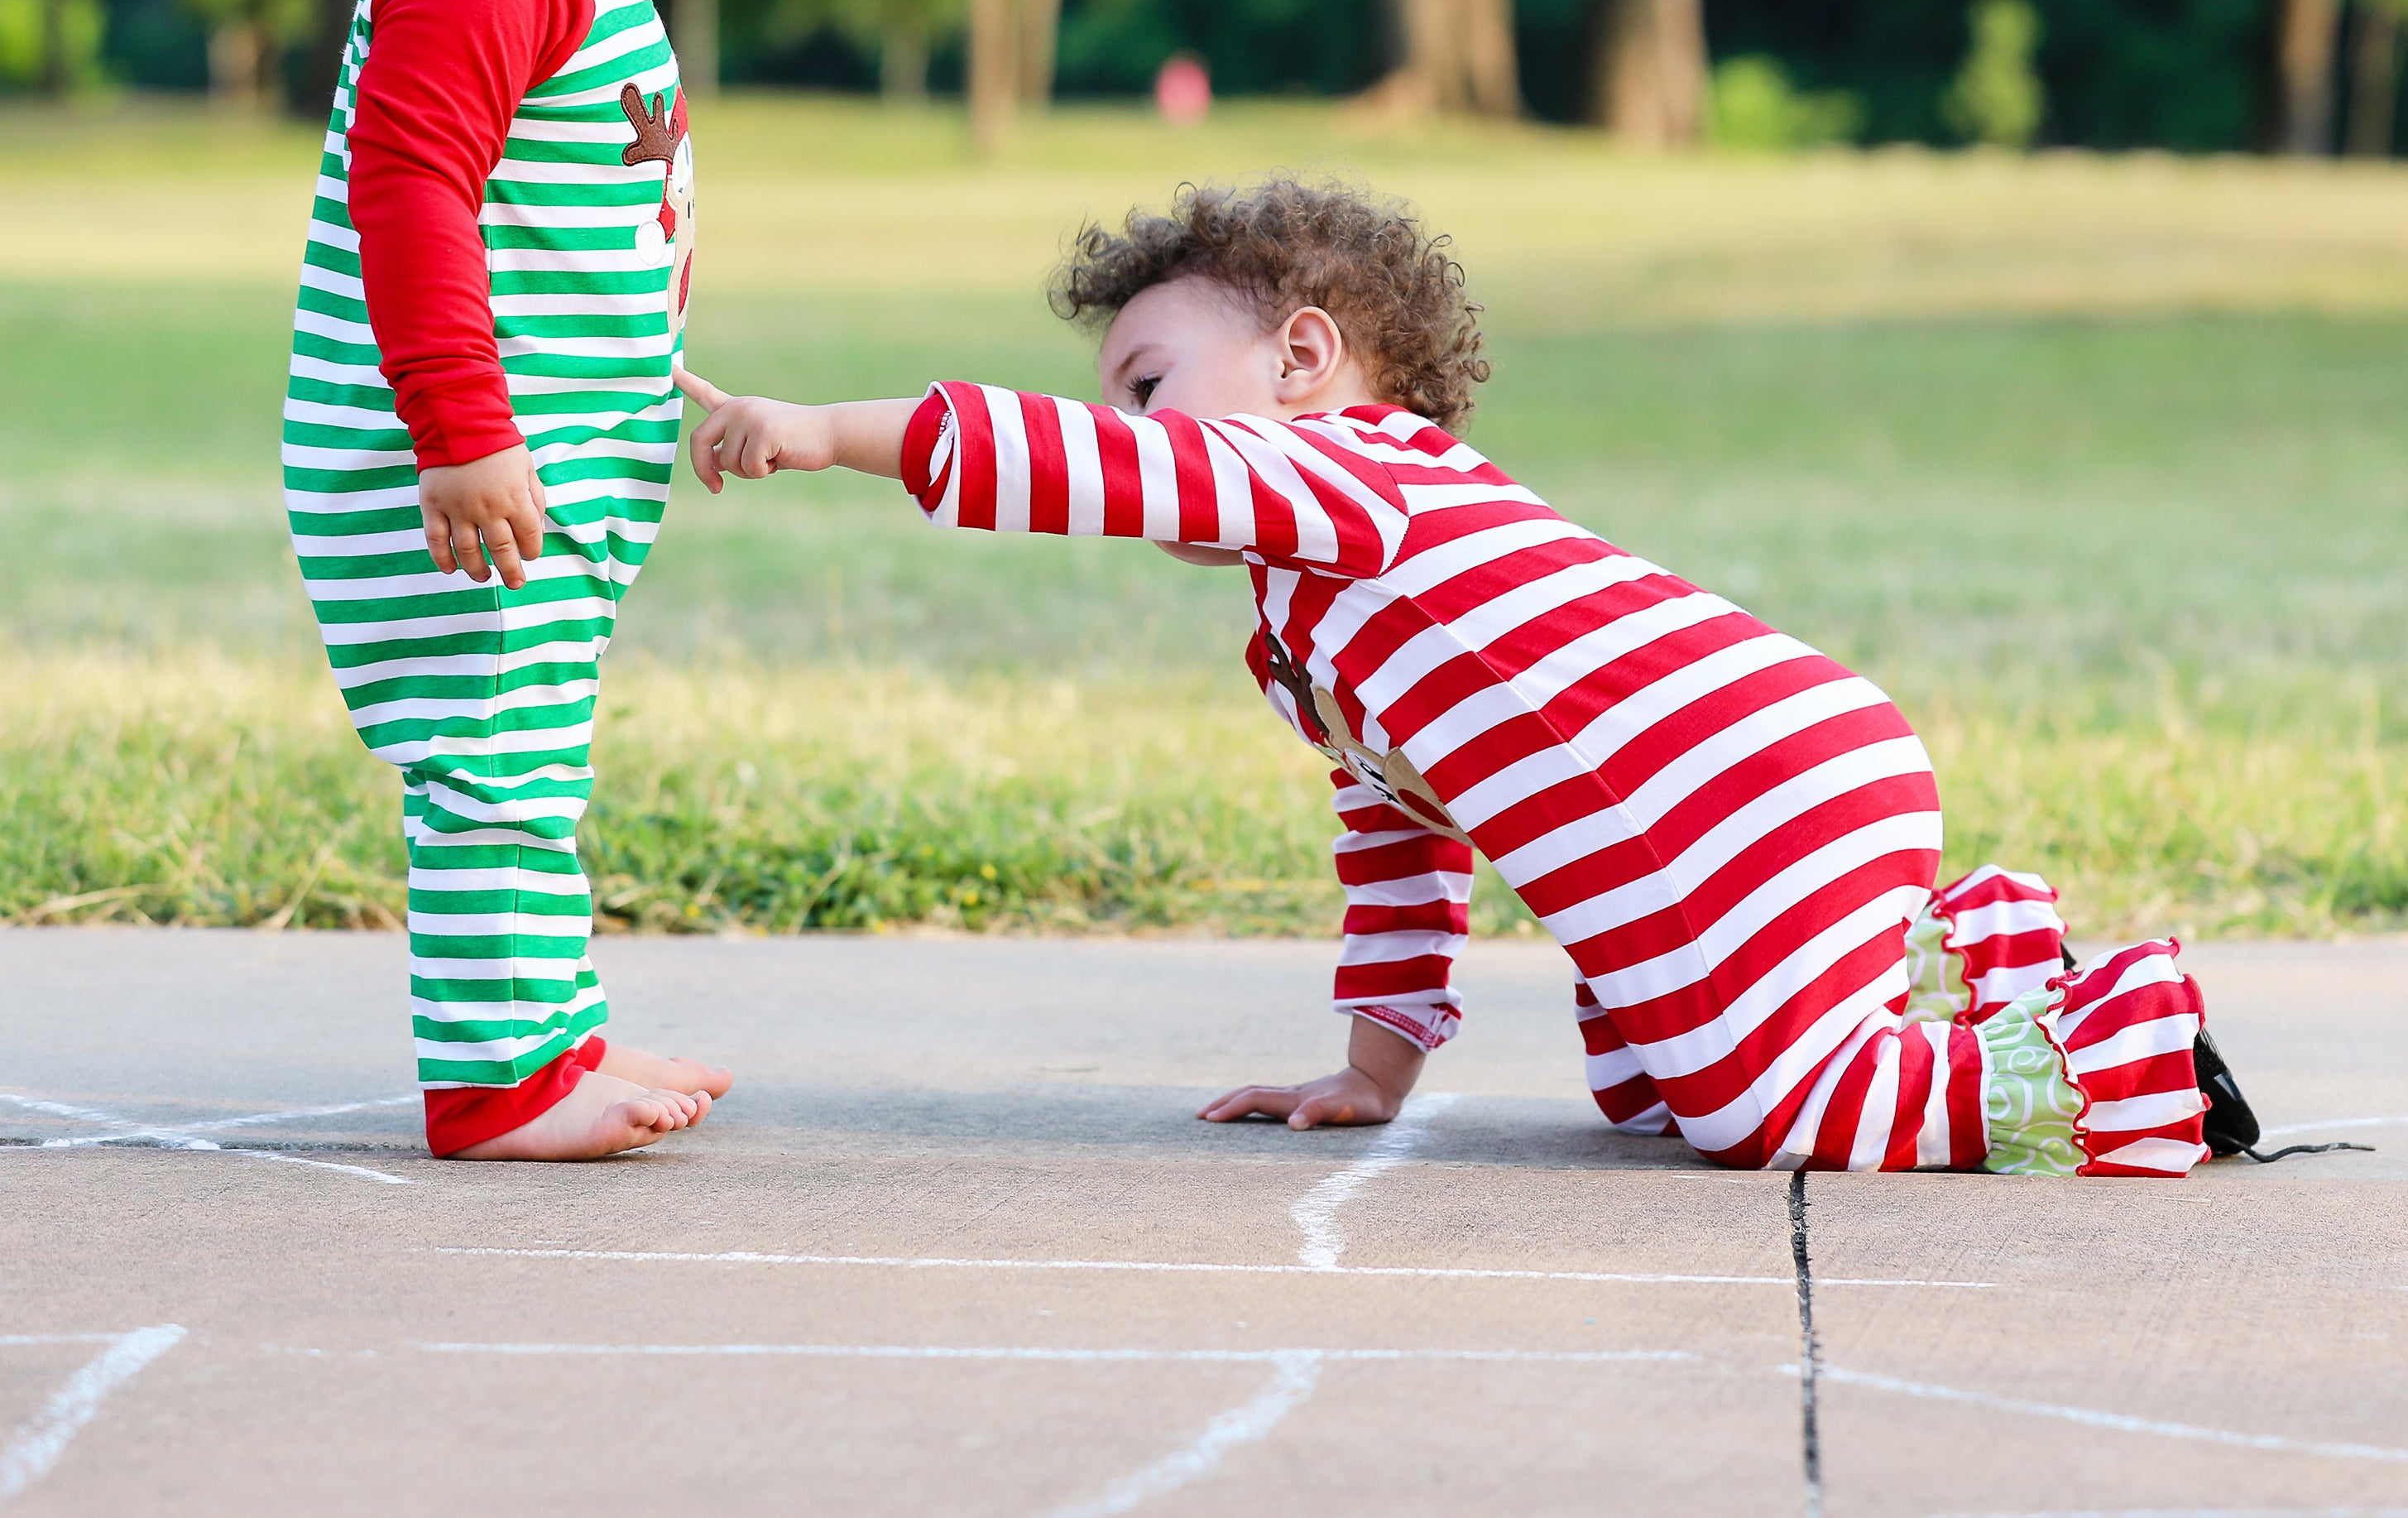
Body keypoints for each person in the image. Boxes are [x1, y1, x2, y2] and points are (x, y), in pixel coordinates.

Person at [676, 175, 2257, 1177]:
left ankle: (2122, 1061)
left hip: (1740, 792)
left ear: (1300, 363)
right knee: (1641, 1087)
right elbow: (1403, 836)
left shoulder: (1353, 476)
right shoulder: (1309, 619)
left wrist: (832, 430)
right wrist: (1374, 1068)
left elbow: (1086, 469)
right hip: (1767, 794)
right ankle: (1961, 968)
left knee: (1754, 1107)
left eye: (1152, 388)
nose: (1138, 433)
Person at [283, 0, 825, 1160]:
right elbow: (416, 201)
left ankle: (551, 1037)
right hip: (457, 476)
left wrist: (665, 380)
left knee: (530, 758)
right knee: (492, 774)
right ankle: (499, 1086)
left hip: (542, 456)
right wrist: (462, 435)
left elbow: (570, 238)